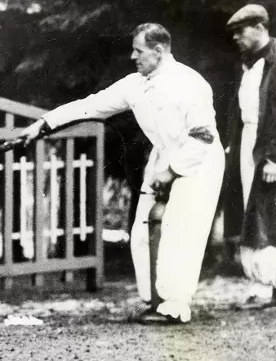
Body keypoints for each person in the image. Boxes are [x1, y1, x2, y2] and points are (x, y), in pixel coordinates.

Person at [21, 23, 225, 323]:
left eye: (139, 50)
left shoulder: (190, 83)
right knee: (143, 231)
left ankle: (176, 307)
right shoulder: (134, 84)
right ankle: (155, 301)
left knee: (181, 231)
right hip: (164, 156)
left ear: (159, 51)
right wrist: (44, 124)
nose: (133, 56)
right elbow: (91, 106)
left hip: (199, 159)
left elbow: (203, 137)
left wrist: (172, 170)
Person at [224, 4, 276, 303]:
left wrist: (274, 157)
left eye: (240, 30)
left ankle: (266, 284)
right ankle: (260, 281)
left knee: (266, 212)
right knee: (249, 209)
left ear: (259, 27)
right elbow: (240, 108)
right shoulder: (246, 63)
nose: (236, 37)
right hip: (247, 141)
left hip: (267, 146)